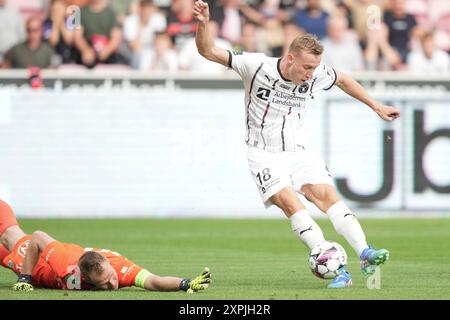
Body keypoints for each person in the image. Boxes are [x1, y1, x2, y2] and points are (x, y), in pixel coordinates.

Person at [193, 0, 399, 289]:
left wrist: (375, 105)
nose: (311, 74)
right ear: (290, 59)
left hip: (298, 149)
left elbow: (342, 79)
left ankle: (365, 253)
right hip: (263, 153)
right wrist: (203, 23)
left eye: (315, 67)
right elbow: (207, 50)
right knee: (293, 205)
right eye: (306, 67)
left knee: (326, 196)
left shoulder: (316, 73)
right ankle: (339, 270)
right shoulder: (255, 65)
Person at [0, 199, 211, 292]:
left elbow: (154, 282)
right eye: (105, 284)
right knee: (11, 234)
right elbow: (37, 236)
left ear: (107, 263)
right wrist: (25, 278)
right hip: (34, 264)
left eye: (109, 278)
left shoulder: (120, 270)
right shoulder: (63, 259)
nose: (113, 285)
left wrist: (184, 283)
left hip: (42, 275)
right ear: (85, 277)